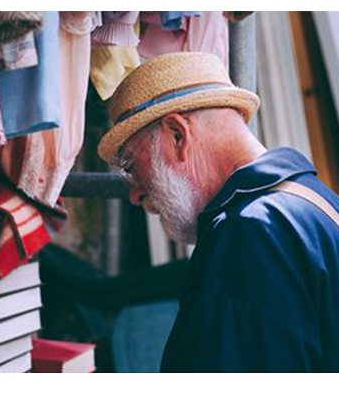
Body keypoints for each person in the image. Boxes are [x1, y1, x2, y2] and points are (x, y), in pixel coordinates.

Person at [97, 52, 339, 372]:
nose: (134, 192)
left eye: (131, 165)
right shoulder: (313, 202)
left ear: (177, 135)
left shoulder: (253, 231)